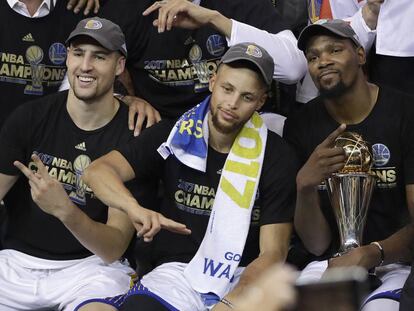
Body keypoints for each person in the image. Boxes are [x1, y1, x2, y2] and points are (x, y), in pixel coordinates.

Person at [83, 42, 297, 311]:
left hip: (244, 275)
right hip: (177, 274)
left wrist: (233, 302)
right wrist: (134, 208)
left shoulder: (277, 155)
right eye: (227, 89)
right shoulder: (174, 134)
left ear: (261, 101)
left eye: (246, 97)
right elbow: (97, 172)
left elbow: (273, 253)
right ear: (212, 82)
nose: (231, 104)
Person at [0, 17, 190, 311]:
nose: (85, 66)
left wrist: (65, 210)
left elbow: (113, 248)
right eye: (78, 53)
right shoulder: (30, 117)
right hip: (14, 265)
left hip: (91, 269)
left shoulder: (136, 133)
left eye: (99, 57)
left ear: (119, 66)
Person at [283, 19, 414, 311]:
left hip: (395, 262)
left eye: (335, 50)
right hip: (330, 262)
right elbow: (316, 244)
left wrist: (373, 253)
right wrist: (304, 186)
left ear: (360, 55)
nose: (323, 61)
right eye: (313, 57)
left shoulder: (405, 113)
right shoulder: (301, 126)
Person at [99, 0, 306, 121]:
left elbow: (294, 68)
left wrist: (216, 20)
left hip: (236, 125)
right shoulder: (128, 7)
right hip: (159, 127)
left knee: (275, 125)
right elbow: (82, 71)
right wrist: (121, 98)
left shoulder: (239, 4)